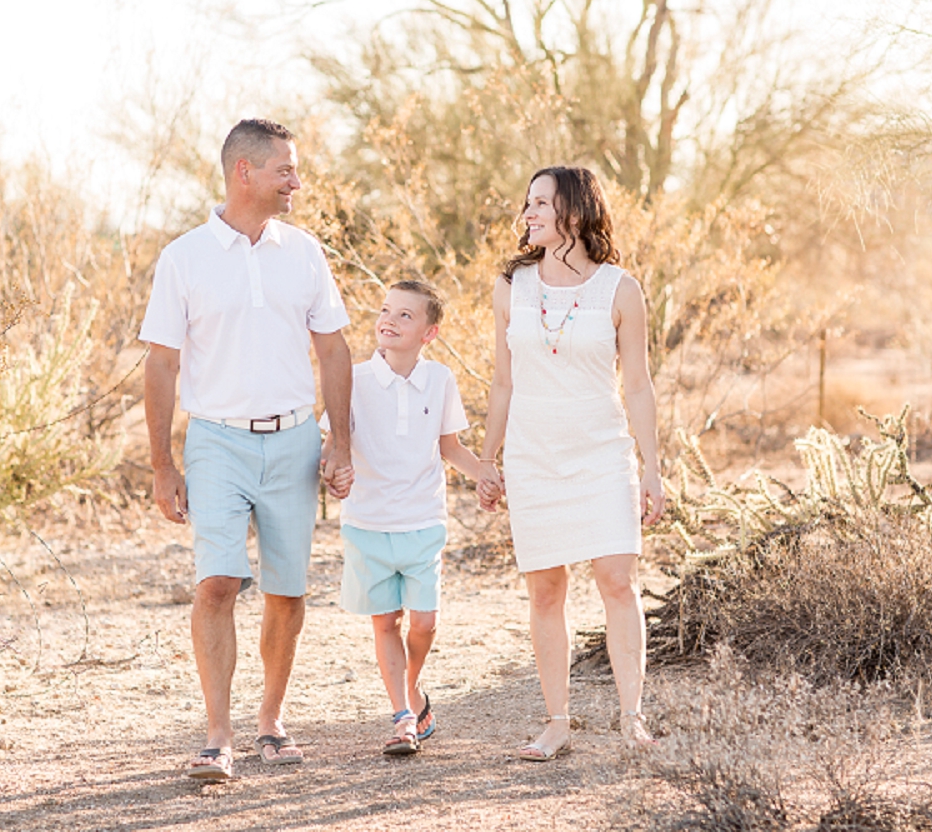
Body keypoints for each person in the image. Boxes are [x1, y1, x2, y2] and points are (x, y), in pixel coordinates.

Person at [141, 118, 353, 782]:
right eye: (285, 169)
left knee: (288, 593)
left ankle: (270, 720)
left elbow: (335, 349)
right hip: (216, 442)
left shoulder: (305, 253)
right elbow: (161, 366)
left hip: (294, 439)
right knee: (217, 582)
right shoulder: (184, 258)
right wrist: (162, 464)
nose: (296, 181)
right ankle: (218, 734)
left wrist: (340, 440)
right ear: (245, 173)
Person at [475, 165, 666, 761]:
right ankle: (557, 722)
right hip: (534, 456)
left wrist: (653, 467)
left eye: (540, 203)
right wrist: (487, 459)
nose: (527, 214)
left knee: (616, 579)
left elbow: (638, 385)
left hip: (602, 454)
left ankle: (632, 718)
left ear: (575, 213)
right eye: (527, 203)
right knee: (546, 592)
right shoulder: (513, 286)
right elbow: (503, 383)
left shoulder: (620, 289)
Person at [321, 281, 483, 756]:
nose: (388, 320)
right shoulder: (351, 379)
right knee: (386, 622)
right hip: (367, 522)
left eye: (405, 316)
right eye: (386, 310)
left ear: (429, 333)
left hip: (423, 520)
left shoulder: (441, 380)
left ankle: (411, 688)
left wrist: (487, 474)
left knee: (425, 623)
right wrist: (331, 468)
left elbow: (450, 446)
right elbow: (330, 442)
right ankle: (403, 717)